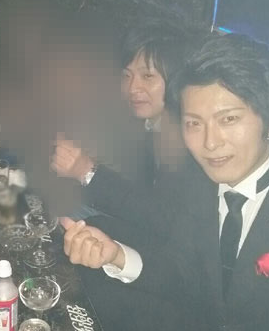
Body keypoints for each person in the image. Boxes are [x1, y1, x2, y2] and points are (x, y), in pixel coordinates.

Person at [61, 33, 269, 331]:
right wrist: (115, 255)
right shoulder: (201, 183)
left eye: (229, 119)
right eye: (194, 123)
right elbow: (184, 271)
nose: (210, 143)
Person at [51, 19, 205, 247]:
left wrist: (88, 171)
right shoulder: (151, 123)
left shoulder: (189, 138)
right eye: (126, 76)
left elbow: (165, 221)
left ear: (177, 78)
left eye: (148, 76)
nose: (133, 88)